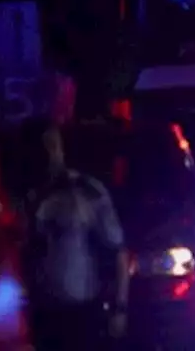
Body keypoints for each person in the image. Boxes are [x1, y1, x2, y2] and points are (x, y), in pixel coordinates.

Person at [20, 119, 129, 351]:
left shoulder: (86, 193)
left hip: (79, 312)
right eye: (42, 148)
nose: (48, 155)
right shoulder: (21, 196)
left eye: (53, 146)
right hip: (35, 313)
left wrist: (119, 307)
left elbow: (117, 253)